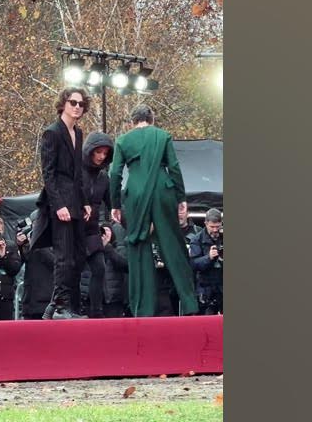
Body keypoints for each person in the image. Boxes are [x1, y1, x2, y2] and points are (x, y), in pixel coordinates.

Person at [109, 104, 199, 317]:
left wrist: (114, 204)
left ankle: (142, 308)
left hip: (136, 192)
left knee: (139, 247)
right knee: (172, 244)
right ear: (152, 119)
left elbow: (115, 174)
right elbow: (174, 167)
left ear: (133, 121)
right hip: (163, 189)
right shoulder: (163, 136)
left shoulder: (123, 141)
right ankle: (189, 304)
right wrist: (181, 197)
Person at [30, 88, 92, 320]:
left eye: (81, 104)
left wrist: (84, 201)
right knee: (64, 256)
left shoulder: (78, 133)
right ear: (63, 104)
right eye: (72, 102)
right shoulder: (52, 133)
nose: (77, 106)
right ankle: (61, 307)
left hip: (75, 201)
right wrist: (58, 205)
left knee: (77, 255)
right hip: (60, 204)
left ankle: (59, 306)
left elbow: (78, 174)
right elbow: (48, 173)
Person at [81, 131, 114, 318]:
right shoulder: (76, 171)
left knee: (99, 268)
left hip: (93, 230)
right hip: (73, 228)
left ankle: (96, 312)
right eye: (98, 152)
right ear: (90, 151)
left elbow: (112, 206)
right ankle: (72, 309)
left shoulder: (104, 178)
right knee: (72, 271)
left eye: (105, 153)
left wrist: (108, 225)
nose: (101, 156)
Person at [188, 208, 224, 315]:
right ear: (205, 223)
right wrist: (209, 257)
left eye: (217, 227)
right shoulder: (196, 240)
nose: (214, 230)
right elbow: (193, 264)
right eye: (212, 227)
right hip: (205, 287)